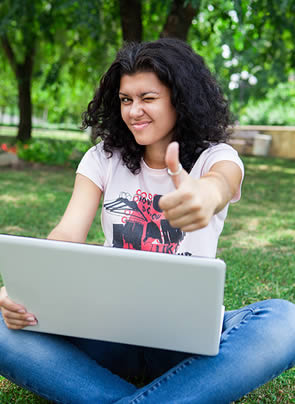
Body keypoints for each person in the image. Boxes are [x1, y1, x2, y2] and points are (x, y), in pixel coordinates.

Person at [0, 38, 294, 404]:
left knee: (285, 320)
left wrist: (205, 196)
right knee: (2, 327)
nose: (134, 111)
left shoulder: (217, 157)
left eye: (148, 98)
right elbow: (66, 234)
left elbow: (220, 182)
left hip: (187, 341)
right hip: (107, 332)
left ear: (179, 98)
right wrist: (28, 293)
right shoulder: (102, 158)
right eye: (126, 100)